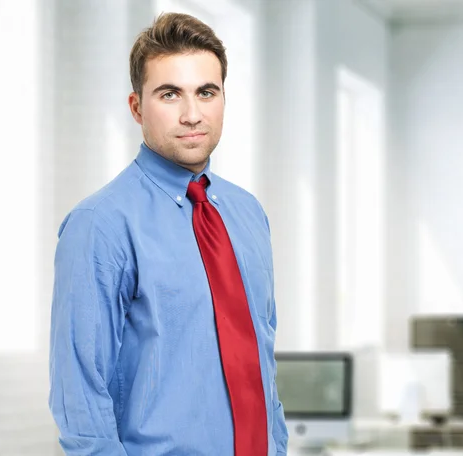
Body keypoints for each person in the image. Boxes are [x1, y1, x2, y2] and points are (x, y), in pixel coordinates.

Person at [48, 12, 288, 455]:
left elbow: (262, 362)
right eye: (169, 94)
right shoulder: (100, 224)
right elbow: (79, 394)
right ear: (137, 107)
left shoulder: (248, 213)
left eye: (206, 92)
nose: (192, 114)